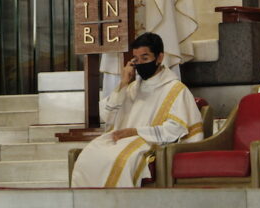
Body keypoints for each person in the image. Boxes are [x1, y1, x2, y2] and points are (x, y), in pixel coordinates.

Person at [71, 33, 203, 188]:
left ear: (159, 57)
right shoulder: (132, 88)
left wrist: (136, 132)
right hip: (123, 140)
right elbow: (107, 116)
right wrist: (123, 83)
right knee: (88, 156)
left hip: (151, 144)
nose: (140, 64)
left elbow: (176, 129)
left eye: (145, 58)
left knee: (117, 160)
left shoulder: (175, 89)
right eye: (136, 59)